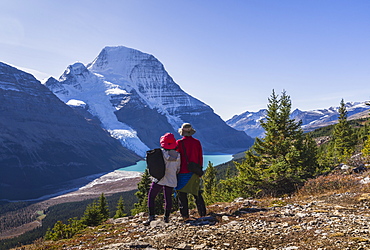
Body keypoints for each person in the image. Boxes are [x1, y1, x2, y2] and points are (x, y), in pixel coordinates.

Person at [144, 133, 181, 225]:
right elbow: (178, 169)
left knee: (151, 196)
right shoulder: (178, 155)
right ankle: (166, 217)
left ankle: (151, 216)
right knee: (168, 197)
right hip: (171, 179)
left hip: (159, 178)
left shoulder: (159, 153)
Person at [175, 123, 207, 219]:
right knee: (197, 193)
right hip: (194, 172)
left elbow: (176, 158)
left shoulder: (179, 143)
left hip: (182, 172)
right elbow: (199, 158)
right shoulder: (197, 142)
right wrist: (199, 170)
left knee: (182, 194)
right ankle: (202, 213)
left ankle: (185, 215)